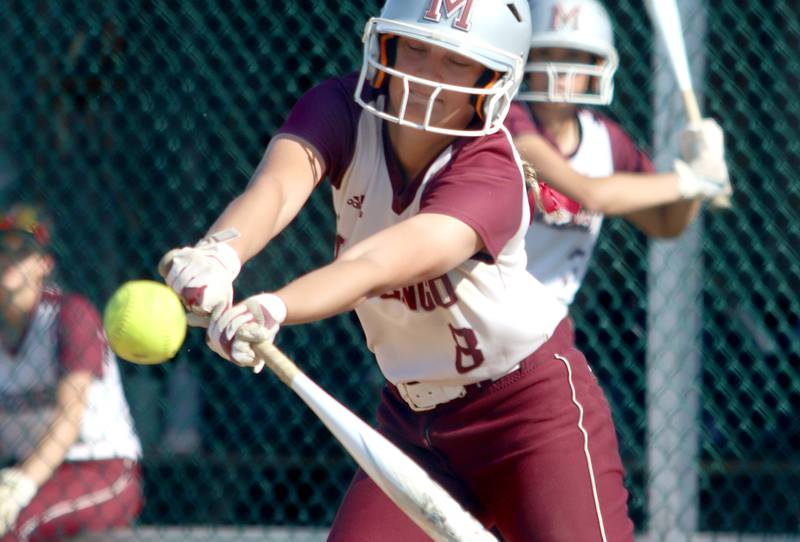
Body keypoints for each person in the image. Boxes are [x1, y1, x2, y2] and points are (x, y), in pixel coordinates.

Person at [161, 0, 635, 539]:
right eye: (414, 48)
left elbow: (376, 264)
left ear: (494, 77)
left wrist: (275, 306)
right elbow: (276, 188)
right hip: (413, 428)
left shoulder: (492, 170)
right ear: (384, 45)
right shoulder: (341, 107)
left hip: (528, 415)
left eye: (455, 62)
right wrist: (222, 253)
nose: (425, 77)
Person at [506, 0, 732, 308]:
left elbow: (666, 223)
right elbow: (591, 194)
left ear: (597, 64)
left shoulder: (605, 140)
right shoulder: (509, 122)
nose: (558, 70)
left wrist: (695, 174)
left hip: (550, 312)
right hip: (492, 306)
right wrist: (691, 179)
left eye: (572, 55)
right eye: (546, 53)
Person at [0, 205, 142, 541]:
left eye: (23, 252)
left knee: (17, 528)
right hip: (23, 470)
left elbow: (70, 417)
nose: (9, 258)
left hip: (101, 470)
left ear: (44, 265)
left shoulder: (69, 315)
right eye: (2, 249)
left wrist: (19, 485)